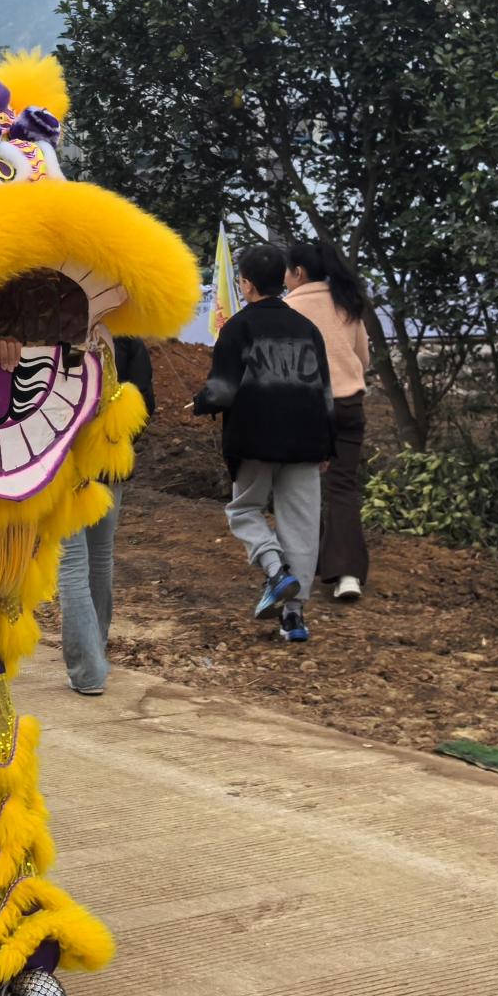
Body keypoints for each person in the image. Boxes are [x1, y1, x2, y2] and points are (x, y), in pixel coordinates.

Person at [191, 243, 334, 643]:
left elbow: (222, 391)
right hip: (307, 440)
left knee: (244, 509)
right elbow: (325, 391)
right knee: (302, 525)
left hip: (254, 439)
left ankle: (275, 570)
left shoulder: (237, 328)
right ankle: (294, 617)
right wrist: (328, 445)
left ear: (247, 285)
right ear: (281, 281)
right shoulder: (307, 329)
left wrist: (200, 403)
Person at [57, 334, 156, 695]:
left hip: (63, 462)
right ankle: (94, 653)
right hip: (110, 464)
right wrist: (115, 443)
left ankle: (88, 669)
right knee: (100, 559)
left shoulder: (55, 334)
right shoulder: (128, 340)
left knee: (72, 563)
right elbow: (145, 405)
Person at [286, 240, 374, 603]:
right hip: (349, 404)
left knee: (302, 487)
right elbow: (363, 359)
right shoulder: (346, 301)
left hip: (306, 407)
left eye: (287, 270)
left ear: (299, 272)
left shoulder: (289, 308)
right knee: (342, 486)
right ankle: (348, 575)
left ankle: (307, 567)